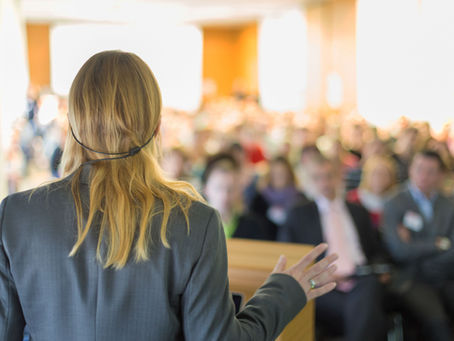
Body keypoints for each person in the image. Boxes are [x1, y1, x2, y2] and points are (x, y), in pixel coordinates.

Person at [0, 51, 338, 340]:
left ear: (72, 124)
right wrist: (283, 292)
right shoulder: (195, 220)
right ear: (157, 128)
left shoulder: (15, 215)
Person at [278, 156, 387, 341]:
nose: (325, 183)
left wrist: (381, 269)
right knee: (366, 313)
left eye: (329, 176)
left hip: (361, 279)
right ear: (309, 181)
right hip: (321, 285)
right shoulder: (298, 214)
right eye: (318, 178)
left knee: (368, 291)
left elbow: (376, 251)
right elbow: (288, 258)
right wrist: (316, 276)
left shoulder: (358, 211)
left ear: (339, 178)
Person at [382, 150, 454, 341]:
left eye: (431, 171)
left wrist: (417, 246)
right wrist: (437, 244)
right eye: (419, 169)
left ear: (440, 175)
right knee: (438, 322)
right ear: (410, 169)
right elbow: (399, 251)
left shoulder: (448, 204)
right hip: (410, 278)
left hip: (445, 275)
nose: (424, 176)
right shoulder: (394, 202)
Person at [202, 152, 275, 240]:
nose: (225, 196)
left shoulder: (254, 226)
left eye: (231, 189)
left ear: (239, 190)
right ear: (206, 189)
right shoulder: (195, 226)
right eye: (218, 188)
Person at [250, 156, 307, 228]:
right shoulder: (259, 201)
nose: (278, 178)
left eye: (281, 174)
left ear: (289, 174)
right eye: (275, 174)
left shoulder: (300, 200)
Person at [347, 155, 397, 229]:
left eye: (384, 174)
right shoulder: (353, 198)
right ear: (366, 176)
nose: (379, 178)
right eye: (375, 174)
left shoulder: (396, 200)